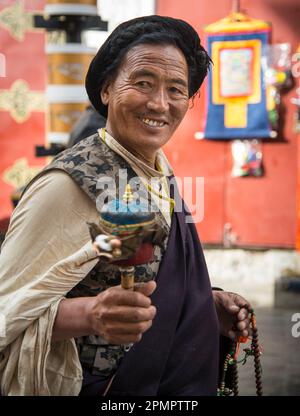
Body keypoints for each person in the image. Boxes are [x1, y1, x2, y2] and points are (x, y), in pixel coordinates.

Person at [0, 15, 251, 396]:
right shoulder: (68, 185)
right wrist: (89, 315)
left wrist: (199, 305)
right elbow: (7, 310)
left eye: (176, 89)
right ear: (106, 89)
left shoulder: (156, 172)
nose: (159, 103)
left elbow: (151, 273)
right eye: (143, 83)